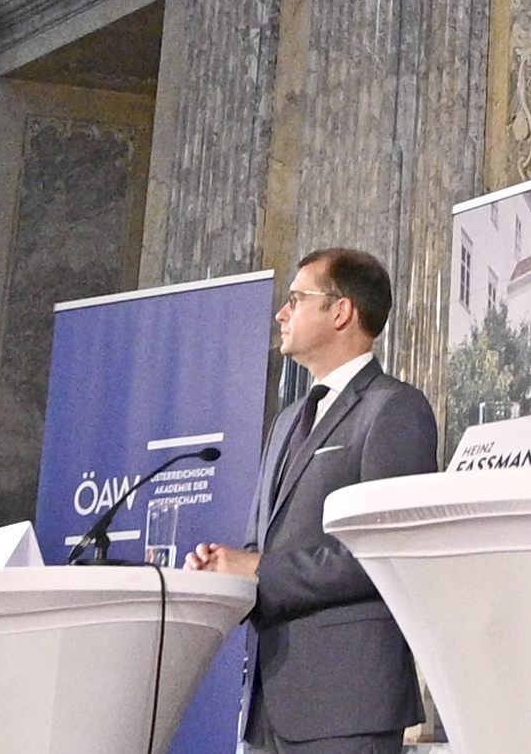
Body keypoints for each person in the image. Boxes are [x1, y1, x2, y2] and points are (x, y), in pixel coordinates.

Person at [187, 247, 438, 754]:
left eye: (297, 299)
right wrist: (226, 571)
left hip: (347, 703)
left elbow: (384, 552)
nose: (282, 313)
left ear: (341, 311)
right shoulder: (287, 421)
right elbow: (262, 545)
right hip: (269, 703)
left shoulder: (394, 408)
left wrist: (259, 569)